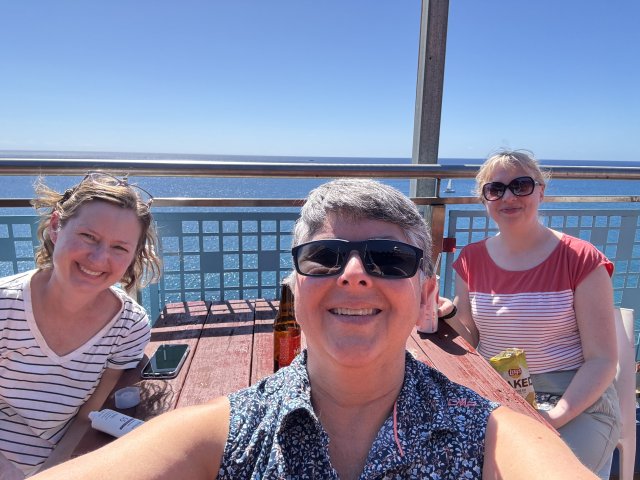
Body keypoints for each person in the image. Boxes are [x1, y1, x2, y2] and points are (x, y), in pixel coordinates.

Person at [30, 178, 596, 480]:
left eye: (389, 258)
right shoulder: (220, 434)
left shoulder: (497, 437)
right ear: (296, 292)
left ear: (427, 296)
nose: (353, 275)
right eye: (324, 256)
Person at [446, 150, 620, 479]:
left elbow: (602, 360)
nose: (508, 196)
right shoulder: (471, 259)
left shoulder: (580, 258)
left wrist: (555, 417)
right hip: (498, 395)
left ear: (541, 191)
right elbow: (469, 334)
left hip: (573, 399)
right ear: (484, 199)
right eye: (495, 189)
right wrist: (446, 313)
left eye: (520, 185)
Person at [0, 172, 162, 479]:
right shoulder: (5, 306)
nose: (99, 258)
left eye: (119, 248)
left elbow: (87, 415)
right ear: (56, 227)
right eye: (88, 237)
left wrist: (52, 471)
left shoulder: (129, 325)